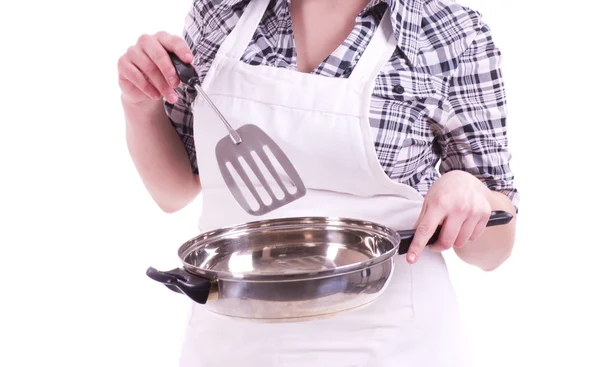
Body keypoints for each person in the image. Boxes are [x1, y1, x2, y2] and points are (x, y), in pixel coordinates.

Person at [118, 0, 519, 365]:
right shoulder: (223, 11)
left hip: (389, 346)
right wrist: (140, 105)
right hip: (230, 344)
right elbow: (174, 191)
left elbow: (494, 250)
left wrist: (471, 191)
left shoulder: (449, 32)